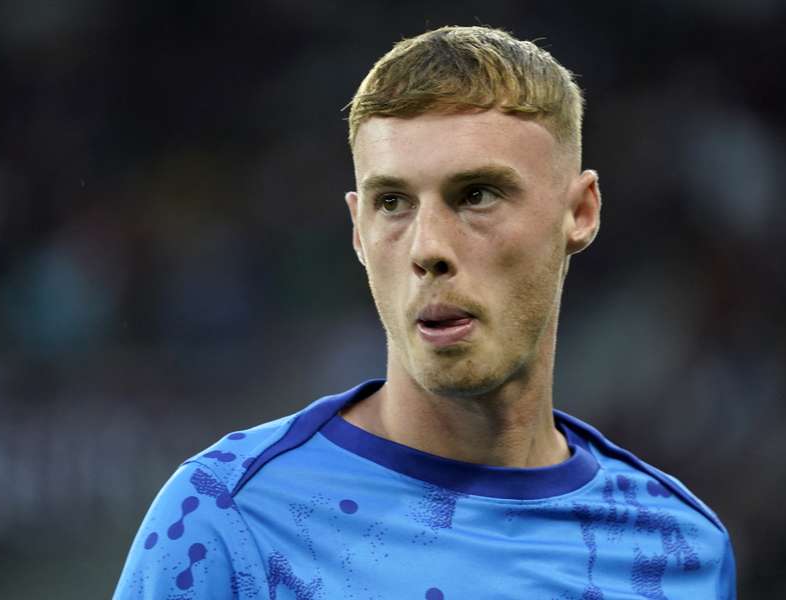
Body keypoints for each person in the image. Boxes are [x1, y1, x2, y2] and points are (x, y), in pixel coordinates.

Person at [114, 25, 736, 599]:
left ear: (580, 213)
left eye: (477, 195)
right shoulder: (229, 517)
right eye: (393, 203)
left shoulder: (678, 551)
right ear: (357, 231)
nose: (428, 248)